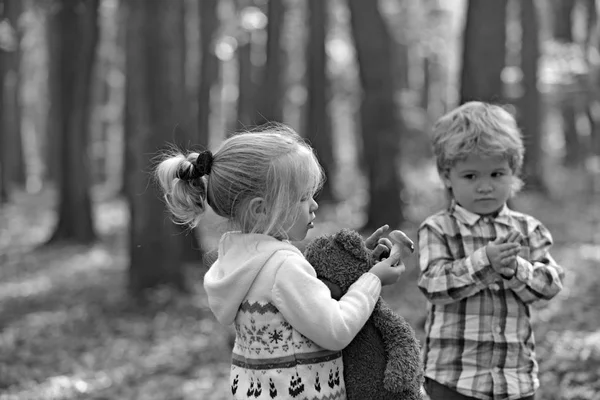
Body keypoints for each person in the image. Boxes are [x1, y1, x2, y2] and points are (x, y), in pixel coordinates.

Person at [155, 123, 405, 400]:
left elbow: (303, 306)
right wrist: (374, 280)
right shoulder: (282, 266)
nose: (314, 205)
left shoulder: (238, 261)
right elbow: (336, 329)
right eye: (301, 197)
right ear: (261, 209)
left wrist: (357, 266)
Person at [417, 102, 565, 400]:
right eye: (471, 176)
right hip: (453, 379)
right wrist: (485, 262)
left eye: (496, 174)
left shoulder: (528, 229)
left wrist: (515, 269)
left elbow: (549, 286)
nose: (485, 186)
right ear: (447, 176)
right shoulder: (438, 229)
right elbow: (434, 285)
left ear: (514, 171)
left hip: (515, 378)